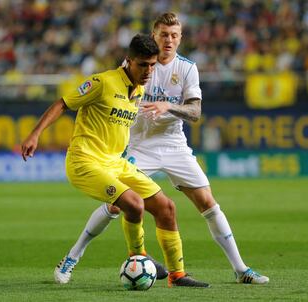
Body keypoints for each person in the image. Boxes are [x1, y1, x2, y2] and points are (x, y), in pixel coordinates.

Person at [57, 13, 270, 286]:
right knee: (116, 205)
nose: (169, 40)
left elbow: (195, 112)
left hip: (174, 144)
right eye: (163, 35)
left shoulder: (187, 68)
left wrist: (168, 106)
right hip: (139, 145)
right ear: (153, 36)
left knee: (208, 202)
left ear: (180, 38)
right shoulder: (139, 63)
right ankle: (73, 256)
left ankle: (241, 269)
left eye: (174, 35)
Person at [21, 34, 209, 288]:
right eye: (143, 64)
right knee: (133, 203)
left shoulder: (139, 90)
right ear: (128, 61)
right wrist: (35, 134)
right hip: (85, 162)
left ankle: (177, 275)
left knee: (166, 208)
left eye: (153, 65)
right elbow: (62, 104)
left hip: (116, 163)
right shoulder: (102, 82)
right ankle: (139, 258)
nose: (148, 71)